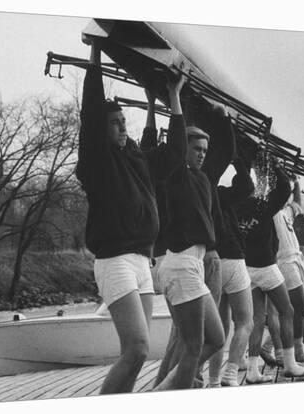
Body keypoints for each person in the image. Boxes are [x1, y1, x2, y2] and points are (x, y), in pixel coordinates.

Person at [76, 42, 186, 394]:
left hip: (142, 262)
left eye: (124, 122)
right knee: (137, 348)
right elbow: (91, 111)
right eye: (115, 124)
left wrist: (173, 97)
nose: (122, 128)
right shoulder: (98, 162)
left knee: (138, 354)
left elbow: (175, 154)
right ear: (102, 130)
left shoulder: (137, 159)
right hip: (115, 262)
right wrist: (94, 59)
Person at [152, 109, 225, 390]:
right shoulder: (174, 176)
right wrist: (176, 102)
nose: (202, 154)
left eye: (205, 149)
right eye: (196, 148)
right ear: (183, 149)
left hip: (194, 265)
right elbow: (174, 144)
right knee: (193, 345)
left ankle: (162, 391)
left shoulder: (202, 179)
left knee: (216, 339)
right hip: (180, 264)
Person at [235, 159, 304, 384]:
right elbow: (283, 189)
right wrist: (271, 162)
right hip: (267, 266)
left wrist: (243, 164)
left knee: (257, 319)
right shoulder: (262, 206)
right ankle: (290, 363)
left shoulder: (234, 207)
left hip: (246, 269)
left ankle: (251, 369)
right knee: (287, 311)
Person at [206, 154, 256, 387]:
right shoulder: (220, 195)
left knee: (221, 328)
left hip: (210, 262)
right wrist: (237, 159)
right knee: (246, 322)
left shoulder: (194, 189)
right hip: (233, 260)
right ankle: (230, 374)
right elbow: (246, 186)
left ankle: (214, 380)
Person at [260, 176, 304, 366]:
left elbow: (297, 204)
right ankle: (298, 351)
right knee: (297, 308)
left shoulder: (285, 211)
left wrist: (298, 184)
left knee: (286, 311)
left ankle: (269, 347)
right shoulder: (273, 210)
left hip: (293, 260)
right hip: (284, 262)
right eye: (288, 191)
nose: (290, 195)